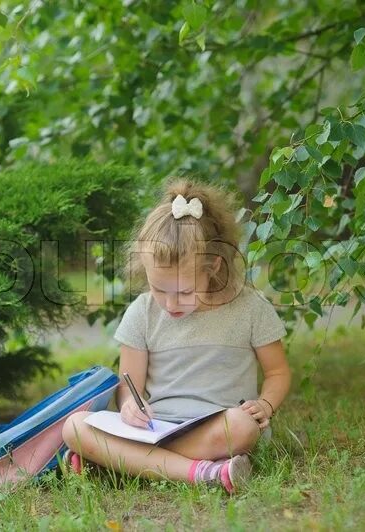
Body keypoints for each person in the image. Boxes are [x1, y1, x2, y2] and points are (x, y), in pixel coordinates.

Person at [61, 178, 291, 494]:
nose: (170, 304)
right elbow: (129, 387)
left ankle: (120, 463)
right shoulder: (142, 313)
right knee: (74, 427)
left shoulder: (250, 307)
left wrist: (265, 405)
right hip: (155, 428)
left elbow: (278, 372)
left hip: (216, 428)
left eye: (183, 291)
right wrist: (131, 404)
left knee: (242, 427)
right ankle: (205, 473)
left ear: (213, 266)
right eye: (159, 289)